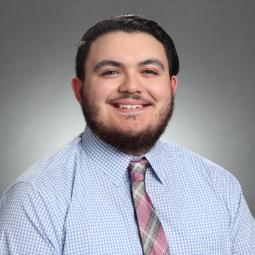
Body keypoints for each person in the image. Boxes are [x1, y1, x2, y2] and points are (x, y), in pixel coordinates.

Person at [0, 15, 254, 255]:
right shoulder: (35, 198)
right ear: (80, 90)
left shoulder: (221, 187)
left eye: (149, 71)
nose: (132, 86)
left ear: (171, 87)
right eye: (111, 71)